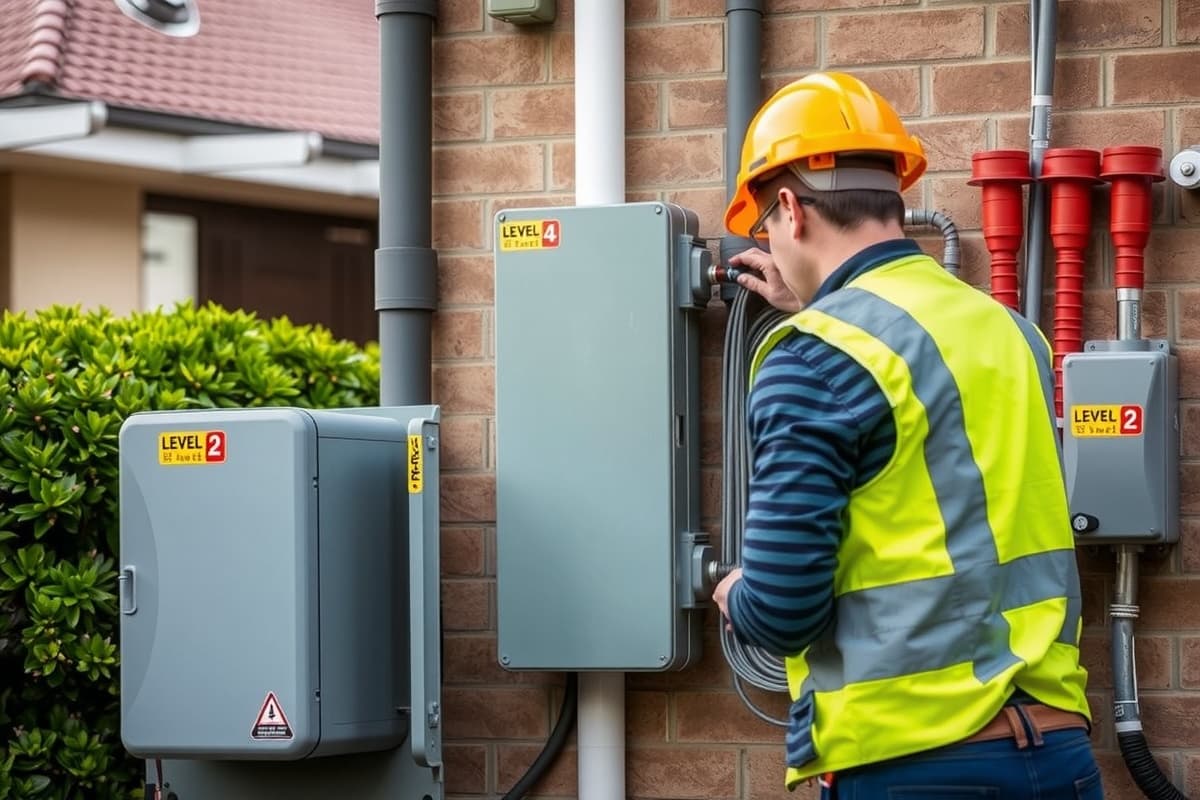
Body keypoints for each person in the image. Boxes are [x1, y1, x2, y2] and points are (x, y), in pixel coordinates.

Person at [711, 72, 1100, 799]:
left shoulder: (812, 357)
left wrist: (732, 591)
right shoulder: (1011, 333)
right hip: (1057, 754)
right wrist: (820, 300)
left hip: (914, 765)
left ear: (789, 209)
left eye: (764, 222)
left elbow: (783, 610)